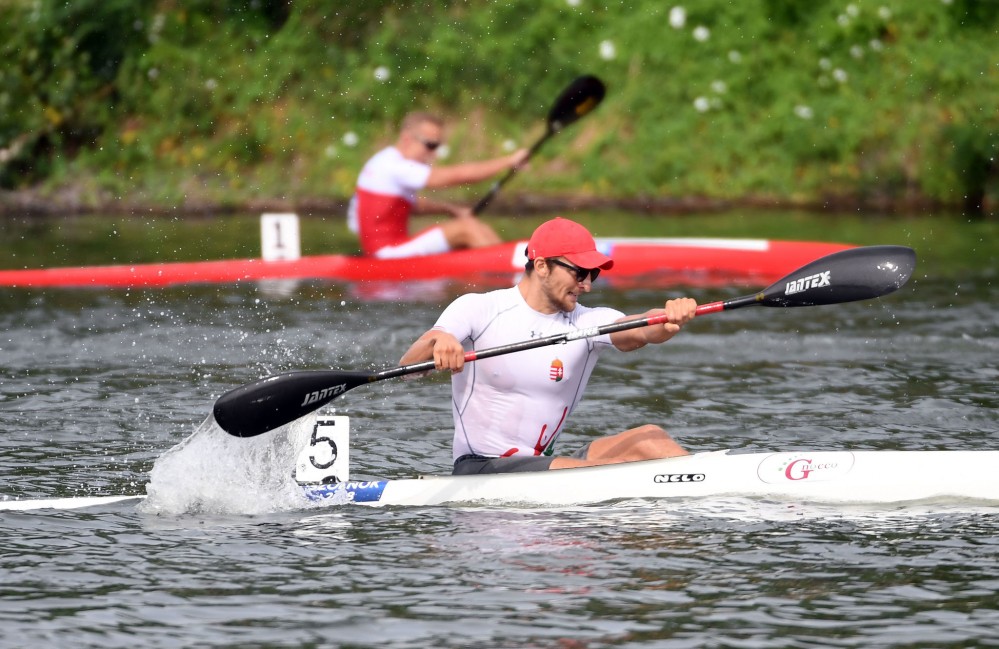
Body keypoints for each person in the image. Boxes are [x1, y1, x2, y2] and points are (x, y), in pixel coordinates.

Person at [398, 217, 698, 475]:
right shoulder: (480, 308)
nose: (587, 285)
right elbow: (407, 367)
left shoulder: (587, 323)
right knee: (605, 469)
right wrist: (442, 341)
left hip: (543, 467)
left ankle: (704, 485)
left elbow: (640, 330)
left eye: (593, 274)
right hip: (480, 467)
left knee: (649, 437)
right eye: (579, 272)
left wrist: (668, 319)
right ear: (541, 266)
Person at [348, 111, 530, 258]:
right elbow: (454, 176)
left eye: (437, 146)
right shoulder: (395, 166)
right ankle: (515, 271)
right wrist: (508, 161)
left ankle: (511, 262)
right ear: (406, 139)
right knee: (467, 229)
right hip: (386, 254)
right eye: (430, 145)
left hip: (389, 249)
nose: (434, 154)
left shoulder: (382, 160)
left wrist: (451, 210)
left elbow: (413, 205)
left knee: (470, 223)